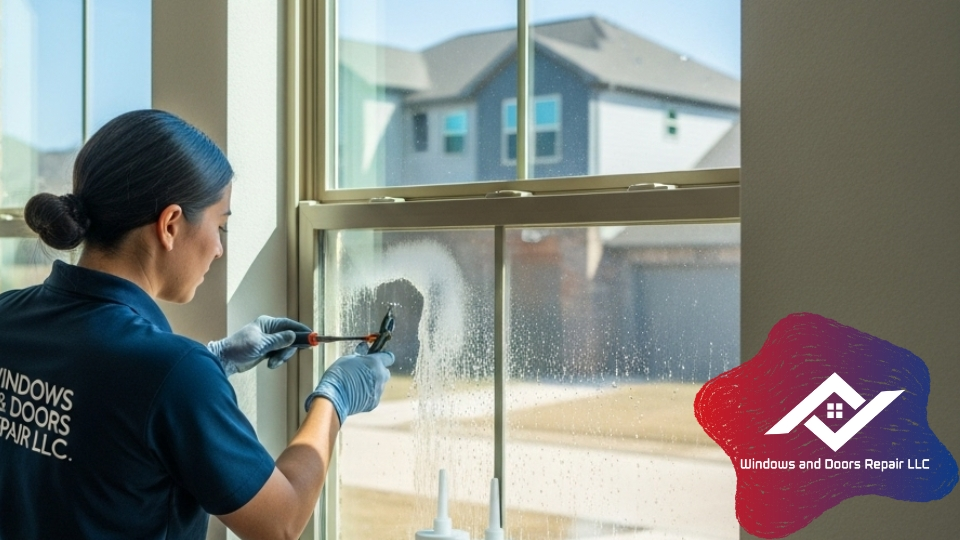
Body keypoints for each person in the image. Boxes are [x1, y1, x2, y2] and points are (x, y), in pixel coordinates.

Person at [0, 109, 393, 539]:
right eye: (220, 225)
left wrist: (210, 362)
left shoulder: (9, 315)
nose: (219, 249)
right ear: (169, 225)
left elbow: (100, 421)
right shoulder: (173, 372)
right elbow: (280, 522)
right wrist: (334, 398)